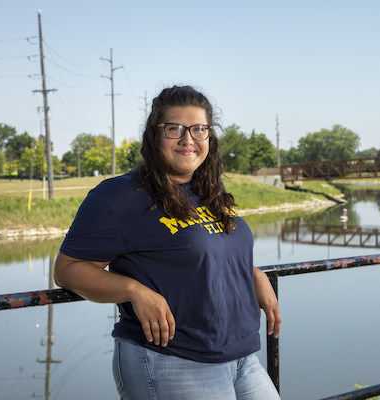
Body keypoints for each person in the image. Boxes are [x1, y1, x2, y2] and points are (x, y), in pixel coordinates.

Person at [54, 85, 281, 400]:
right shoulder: (118, 197)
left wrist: (249, 272)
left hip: (240, 355)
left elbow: (206, 250)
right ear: (154, 135)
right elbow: (68, 269)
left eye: (199, 129)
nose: (188, 139)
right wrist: (134, 291)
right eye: (174, 128)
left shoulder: (208, 190)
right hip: (171, 358)